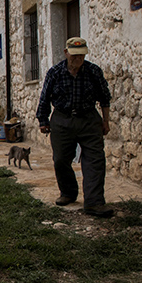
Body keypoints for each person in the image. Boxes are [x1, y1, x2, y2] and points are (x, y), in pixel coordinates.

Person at [35, 36, 114, 218]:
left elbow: (104, 97)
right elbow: (45, 98)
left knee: (95, 160)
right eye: (74, 56)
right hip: (62, 120)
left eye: (81, 56)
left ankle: (94, 202)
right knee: (61, 159)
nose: (77, 60)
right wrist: (43, 120)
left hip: (88, 119)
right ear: (66, 53)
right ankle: (68, 192)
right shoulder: (55, 73)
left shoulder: (94, 71)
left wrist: (106, 120)